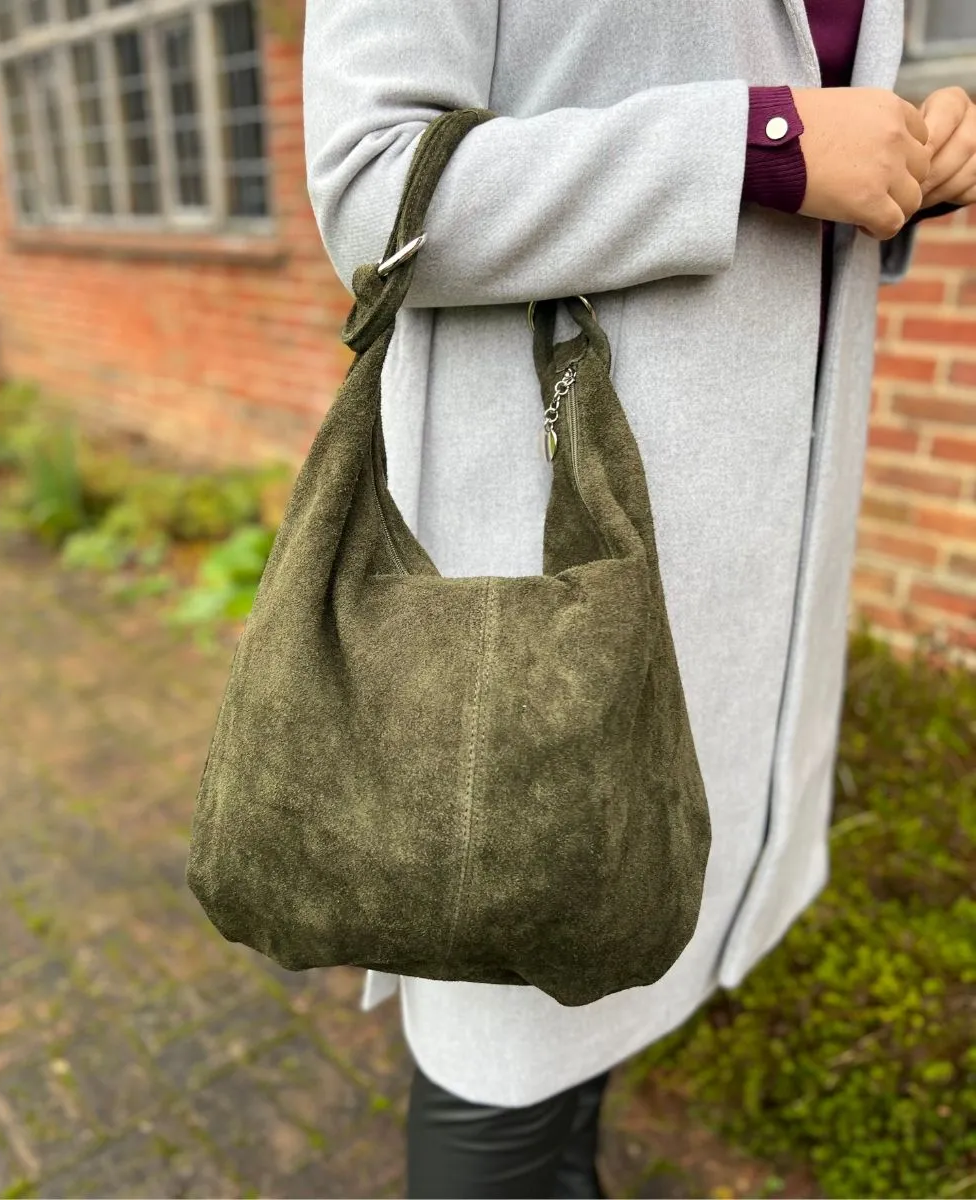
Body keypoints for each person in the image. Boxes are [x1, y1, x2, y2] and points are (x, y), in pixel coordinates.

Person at [301, 1, 976, 1195]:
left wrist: (904, 159)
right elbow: (370, 188)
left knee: (612, 988)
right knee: (499, 1084)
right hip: (537, 588)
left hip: (742, 577)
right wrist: (757, 146)